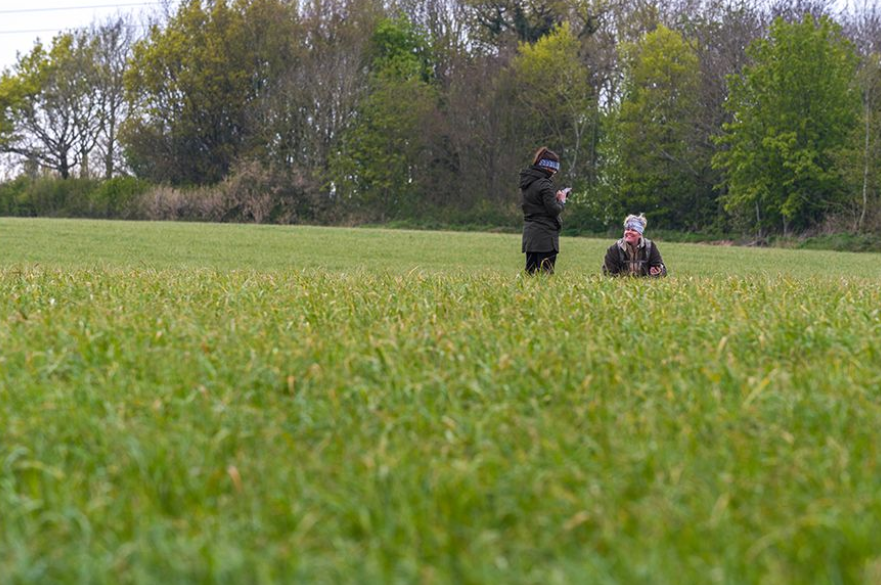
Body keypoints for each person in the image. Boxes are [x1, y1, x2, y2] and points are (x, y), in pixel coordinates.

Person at [520, 146, 568, 274]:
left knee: (530, 274)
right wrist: (561, 200)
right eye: (554, 170)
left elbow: (538, 204)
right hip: (545, 238)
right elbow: (554, 210)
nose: (554, 173)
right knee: (545, 276)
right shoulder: (544, 184)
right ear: (548, 167)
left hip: (530, 236)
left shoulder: (527, 182)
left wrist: (554, 197)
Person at [603, 214, 668, 277]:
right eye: (627, 229)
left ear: (640, 233)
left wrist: (657, 272)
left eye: (633, 230)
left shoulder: (650, 247)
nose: (629, 232)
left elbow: (662, 270)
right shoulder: (615, 249)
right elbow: (607, 272)